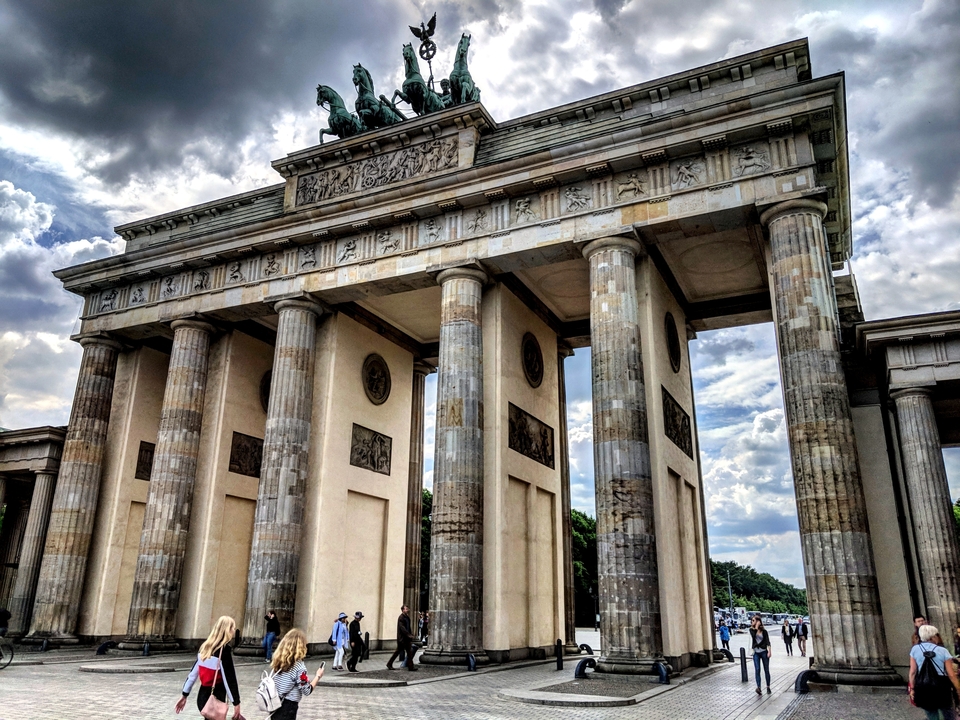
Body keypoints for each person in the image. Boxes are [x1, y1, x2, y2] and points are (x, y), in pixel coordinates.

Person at [176, 615, 243, 719]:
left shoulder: (205, 647)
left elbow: (192, 675)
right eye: (232, 628)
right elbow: (229, 679)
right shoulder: (224, 650)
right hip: (216, 697)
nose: (234, 631)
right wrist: (236, 702)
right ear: (227, 630)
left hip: (202, 697)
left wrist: (184, 695)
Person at [269, 629, 323, 720]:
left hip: (275, 703)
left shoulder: (278, 661)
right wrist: (318, 676)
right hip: (288, 706)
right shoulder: (299, 666)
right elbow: (307, 690)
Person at [909, 624, 960, 720]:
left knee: (930, 712)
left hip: (923, 684)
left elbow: (913, 672)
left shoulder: (915, 650)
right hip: (941, 684)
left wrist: (912, 688)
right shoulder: (943, 651)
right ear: (933, 636)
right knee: (947, 710)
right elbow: (951, 674)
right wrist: (958, 689)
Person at [386, 605, 418, 672]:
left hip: (406, 638)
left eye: (407, 609)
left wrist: (410, 634)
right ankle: (389, 663)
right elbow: (402, 628)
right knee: (398, 652)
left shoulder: (407, 617)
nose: (407, 610)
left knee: (409, 653)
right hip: (402, 639)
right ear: (403, 610)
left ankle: (410, 666)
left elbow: (408, 627)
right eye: (406, 609)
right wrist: (408, 635)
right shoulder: (401, 618)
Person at [749, 614, 772, 696]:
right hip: (756, 652)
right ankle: (758, 687)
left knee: (766, 669)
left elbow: (768, 641)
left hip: (763, 652)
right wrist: (756, 627)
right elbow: (753, 636)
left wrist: (769, 651)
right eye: (752, 620)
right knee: (757, 669)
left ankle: (768, 686)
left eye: (753, 620)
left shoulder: (764, 631)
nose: (752, 622)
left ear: (758, 621)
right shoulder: (751, 630)